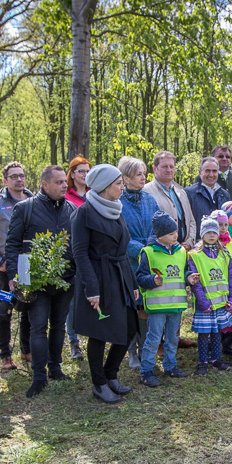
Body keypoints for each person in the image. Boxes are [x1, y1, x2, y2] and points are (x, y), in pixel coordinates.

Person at [4, 165, 76, 398]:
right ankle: (38, 375)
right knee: (38, 326)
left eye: (65, 181)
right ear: (44, 185)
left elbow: (77, 244)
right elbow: (13, 244)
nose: (64, 185)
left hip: (65, 279)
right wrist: (15, 276)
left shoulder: (71, 209)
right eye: (58, 182)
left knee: (58, 325)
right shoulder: (25, 208)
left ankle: (55, 368)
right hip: (35, 279)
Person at [72, 164, 140, 404]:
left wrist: (131, 282)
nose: (123, 187)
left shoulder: (116, 209)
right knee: (99, 333)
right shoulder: (84, 212)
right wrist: (91, 289)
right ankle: (99, 383)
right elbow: (79, 253)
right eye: (118, 183)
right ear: (104, 186)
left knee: (130, 326)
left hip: (119, 275)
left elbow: (121, 251)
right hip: (97, 278)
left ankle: (111, 375)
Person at [119, 156, 167, 360]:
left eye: (144, 173)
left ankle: (145, 348)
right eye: (138, 174)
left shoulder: (149, 199)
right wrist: (140, 250)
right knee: (131, 306)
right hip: (128, 261)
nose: (143, 177)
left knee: (146, 306)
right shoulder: (117, 201)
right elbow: (120, 234)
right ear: (126, 178)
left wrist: (153, 247)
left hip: (150, 259)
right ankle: (131, 351)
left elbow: (158, 224)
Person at [135, 212, 190, 386]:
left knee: (173, 338)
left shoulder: (181, 251)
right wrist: (151, 280)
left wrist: (189, 277)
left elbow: (184, 271)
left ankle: (170, 366)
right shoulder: (148, 252)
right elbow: (140, 277)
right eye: (171, 234)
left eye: (176, 233)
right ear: (159, 234)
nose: (176, 236)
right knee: (153, 339)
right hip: (157, 307)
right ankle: (146, 371)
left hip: (176, 305)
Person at [0, 161, 34, 369]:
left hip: (27, 266)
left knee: (28, 306)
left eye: (21, 175)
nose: (19, 179)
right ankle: (5, 355)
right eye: (14, 176)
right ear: (4, 180)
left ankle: (26, 350)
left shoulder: (33, 200)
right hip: (5, 269)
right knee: (5, 307)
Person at [187, 216, 232, 374]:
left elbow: (231, 277)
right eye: (208, 232)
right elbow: (196, 282)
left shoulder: (224, 254)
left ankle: (216, 359)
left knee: (217, 332)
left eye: (214, 232)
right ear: (202, 234)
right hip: (206, 305)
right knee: (204, 334)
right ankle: (203, 361)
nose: (212, 235)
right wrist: (202, 302)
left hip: (221, 304)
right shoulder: (195, 255)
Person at [145, 150, 197, 248]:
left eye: (171, 166)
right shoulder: (146, 192)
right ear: (155, 169)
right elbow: (148, 226)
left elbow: (191, 221)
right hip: (162, 251)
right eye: (165, 166)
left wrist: (190, 242)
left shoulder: (181, 192)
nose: (169, 170)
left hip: (184, 252)